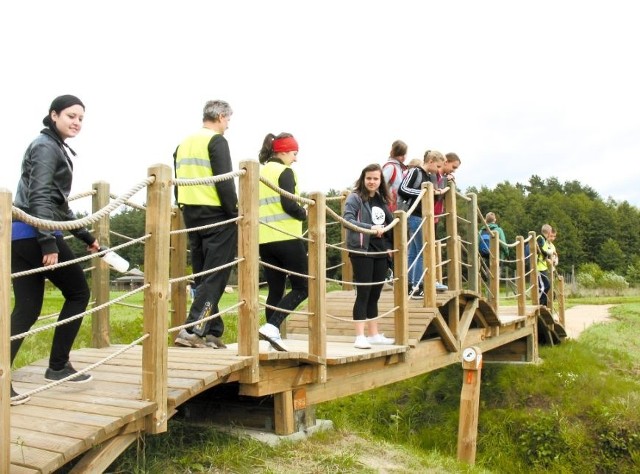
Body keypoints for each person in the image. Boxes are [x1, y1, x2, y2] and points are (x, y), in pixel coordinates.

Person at [10, 95, 101, 405]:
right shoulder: (47, 147)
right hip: (36, 233)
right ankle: (58, 366)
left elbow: (58, 206)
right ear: (53, 115)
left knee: (26, 309)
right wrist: (48, 242)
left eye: (80, 118)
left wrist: (86, 236)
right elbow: (40, 199)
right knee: (78, 293)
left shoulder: (50, 145)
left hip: (20, 235)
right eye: (70, 116)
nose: (76, 122)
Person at [173, 100, 238, 349]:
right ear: (220, 116)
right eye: (228, 120)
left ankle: (212, 328)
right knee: (216, 274)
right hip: (216, 215)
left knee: (203, 274)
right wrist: (234, 211)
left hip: (192, 214)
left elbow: (178, 180)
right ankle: (193, 330)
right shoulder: (216, 141)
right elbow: (224, 181)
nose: (228, 126)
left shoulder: (184, 143)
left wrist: (182, 205)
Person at [257, 133, 308, 351]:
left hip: (264, 239)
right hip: (286, 236)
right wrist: (303, 212)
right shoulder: (285, 171)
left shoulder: (260, 171)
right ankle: (271, 326)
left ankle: (270, 337)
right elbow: (289, 205)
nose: (295, 159)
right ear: (284, 151)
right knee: (303, 287)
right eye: (294, 154)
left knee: (275, 289)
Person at [344, 163, 396, 349]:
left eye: (375, 178)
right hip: (362, 250)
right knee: (363, 293)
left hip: (380, 252)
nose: (372, 182)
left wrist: (389, 246)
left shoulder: (382, 200)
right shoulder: (355, 198)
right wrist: (370, 229)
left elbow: (390, 226)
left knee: (375, 294)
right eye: (369, 178)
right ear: (363, 179)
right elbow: (347, 220)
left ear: (380, 180)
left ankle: (373, 334)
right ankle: (360, 336)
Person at [398, 150, 448, 298]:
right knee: (421, 251)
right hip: (414, 215)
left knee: (414, 251)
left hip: (420, 215)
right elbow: (403, 189)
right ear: (431, 161)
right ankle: (417, 286)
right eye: (438, 166)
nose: (439, 170)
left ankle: (409, 285)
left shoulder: (427, 176)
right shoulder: (416, 171)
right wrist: (423, 192)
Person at [478, 212, 509, 283]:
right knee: (496, 278)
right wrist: (507, 255)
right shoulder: (499, 230)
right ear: (495, 220)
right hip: (497, 257)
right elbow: (504, 245)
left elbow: (477, 244)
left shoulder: (481, 231)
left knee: (489, 277)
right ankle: (494, 293)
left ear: (485, 220)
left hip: (485, 257)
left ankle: (489, 293)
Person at [381, 140, 408, 212]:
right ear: (394, 153)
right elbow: (381, 184)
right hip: (389, 205)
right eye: (400, 154)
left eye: (404, 154)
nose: (403, 157)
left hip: (397, 205)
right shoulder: (390, 167)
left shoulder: (399, 167)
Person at [536, 223, 554, 307]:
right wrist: (547, 254)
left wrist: (547, 255)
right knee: (545, 285)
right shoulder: (540, 238)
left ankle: (543, 303)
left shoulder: (543, 239)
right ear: (549, 232)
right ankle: (539, 303)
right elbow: (539, 249)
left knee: (545, 285)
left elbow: (542, 250)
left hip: (542, 266)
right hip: (538, 267)